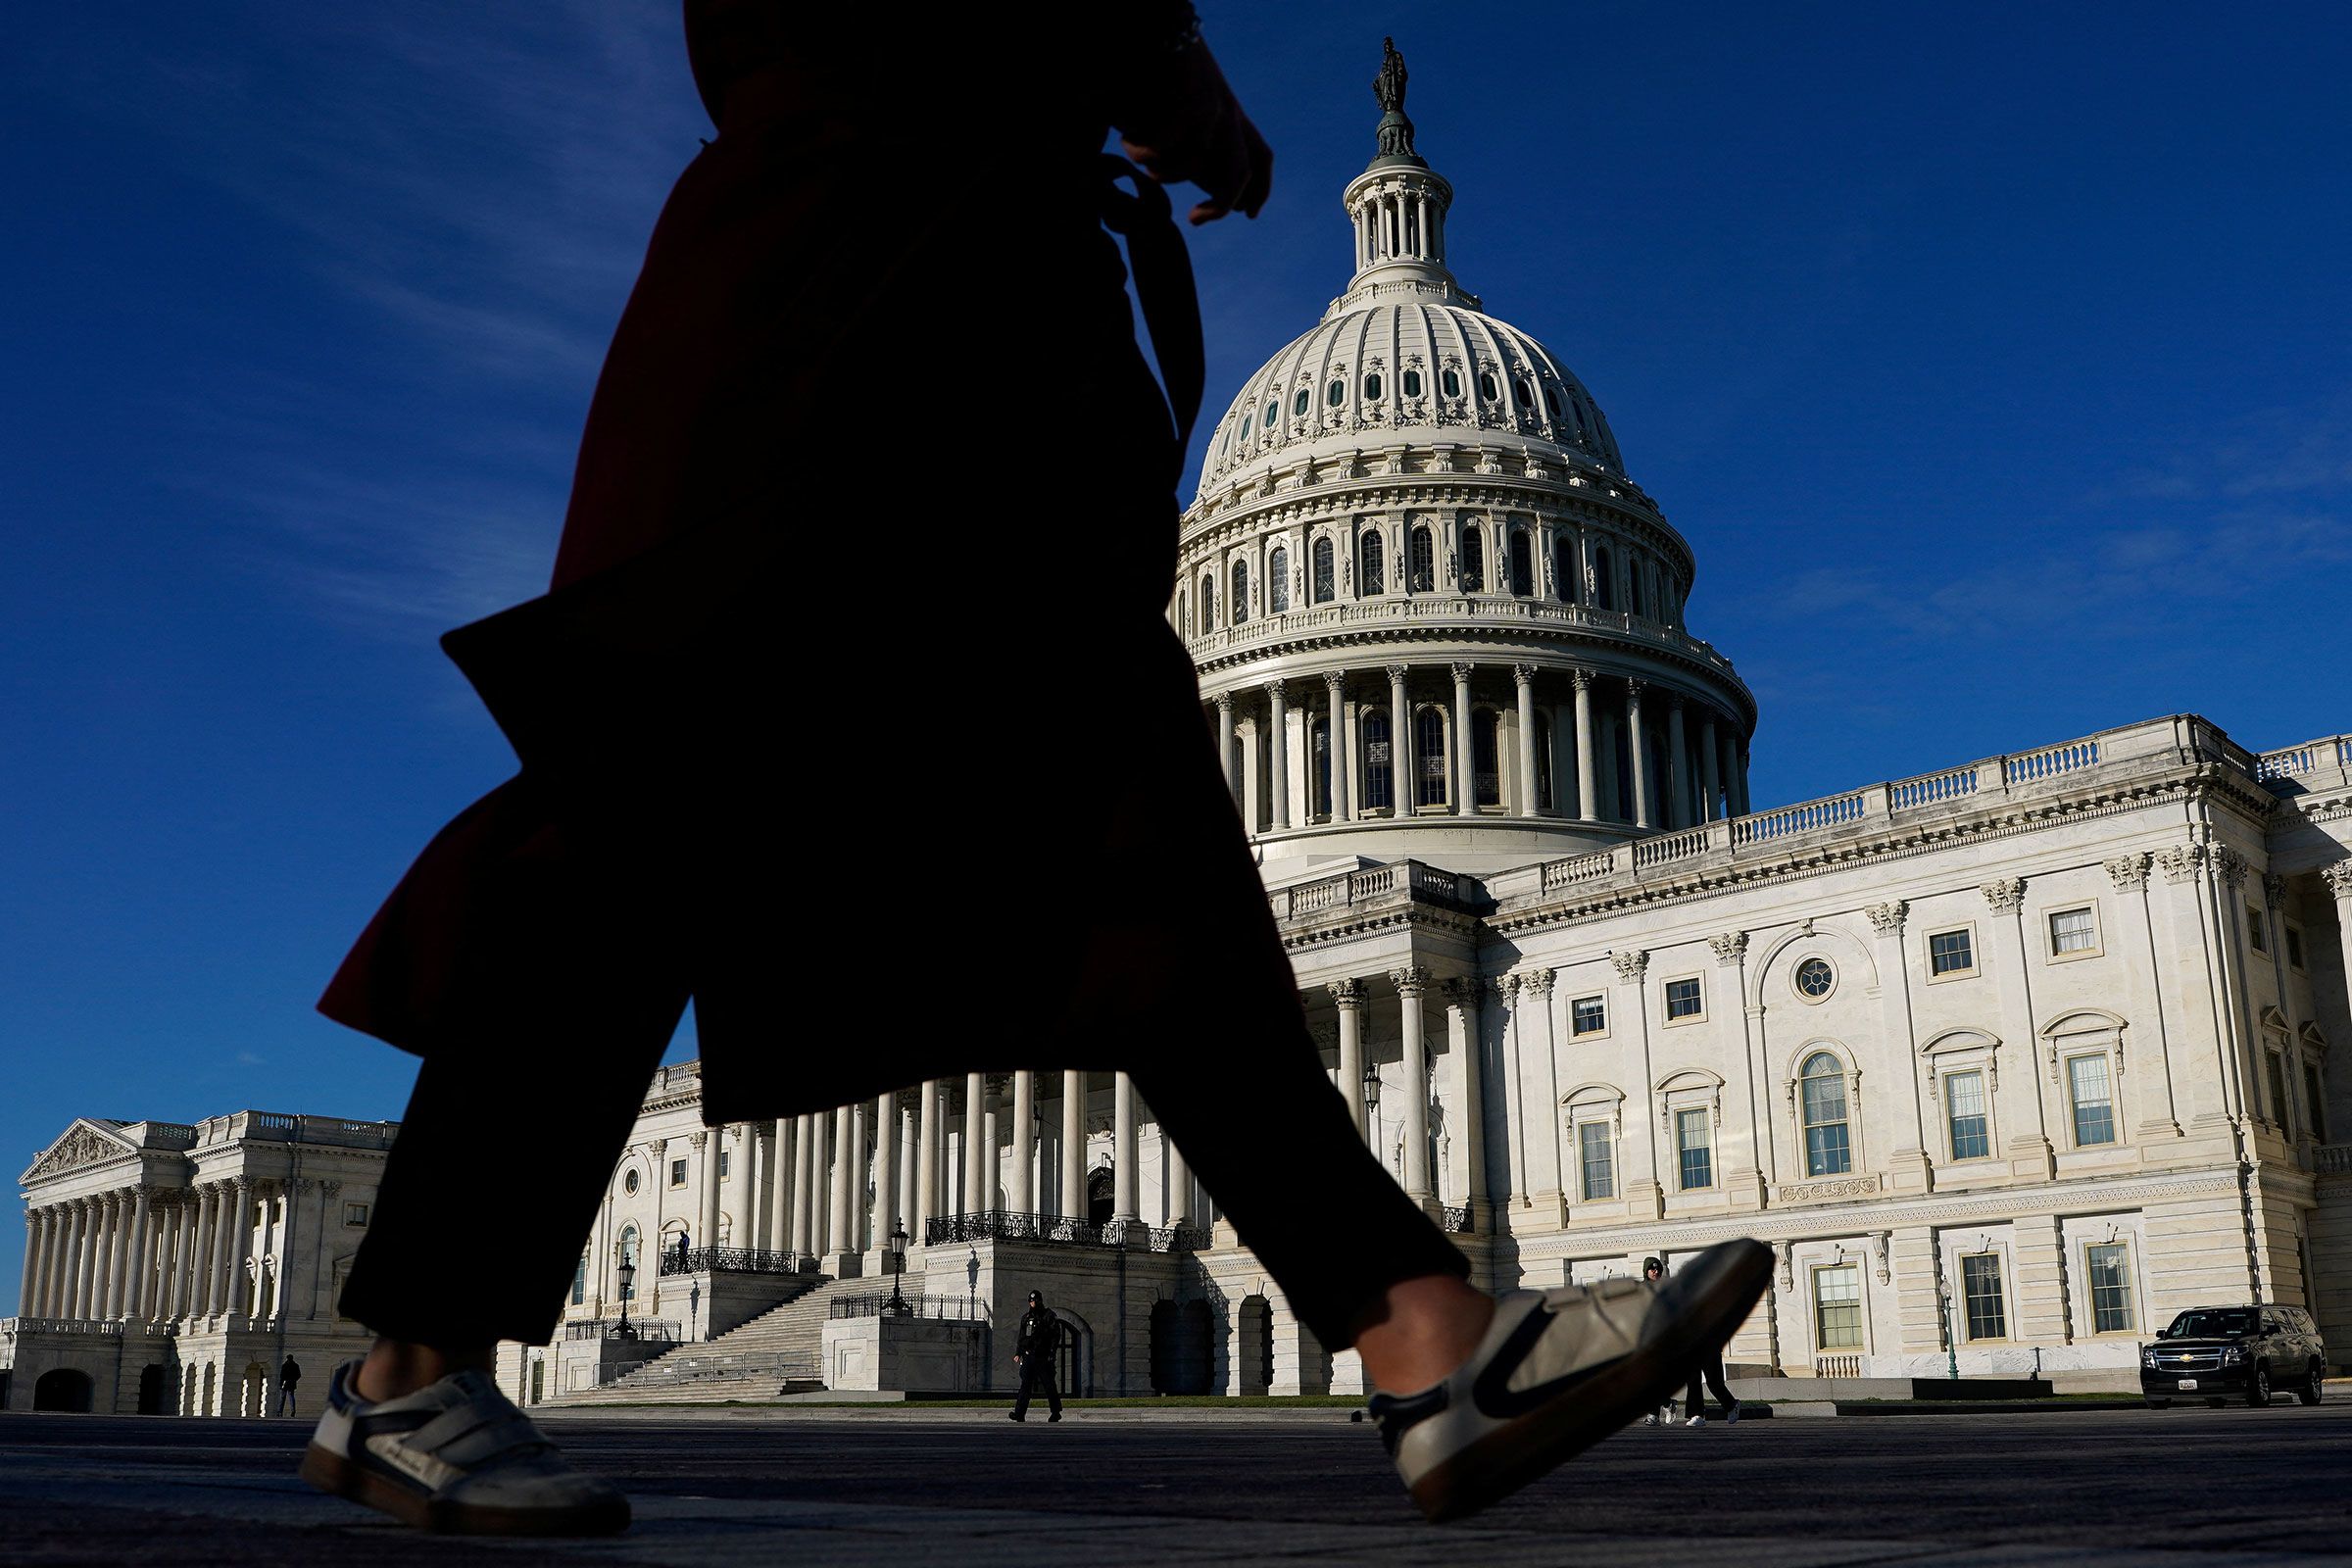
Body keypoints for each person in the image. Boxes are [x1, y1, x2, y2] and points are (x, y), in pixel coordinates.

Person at [297, 2, 1769, 1539]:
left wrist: (1137, 70)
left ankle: (1420, 1321)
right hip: (854, 270)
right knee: (656, 804)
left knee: (1125, 798)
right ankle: (413, 1361)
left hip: (995, 287)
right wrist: (1159, 61)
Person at [1009, 1290, 1064, 1423]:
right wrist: (1018, 1353)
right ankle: (1019, 1413)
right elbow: (1022, 1337)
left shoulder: (1048, 1316)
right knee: (1025, 1385)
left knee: (1049, 1385)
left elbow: (1056, 1335)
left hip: (1043, 1357)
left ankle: (1055, 1412)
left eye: (1034, 1301)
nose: (1032, 1303)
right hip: (1029, 1356)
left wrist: (1052, 1353)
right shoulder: (1026, 1317)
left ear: (1040, 1301)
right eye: (1031, 1301)